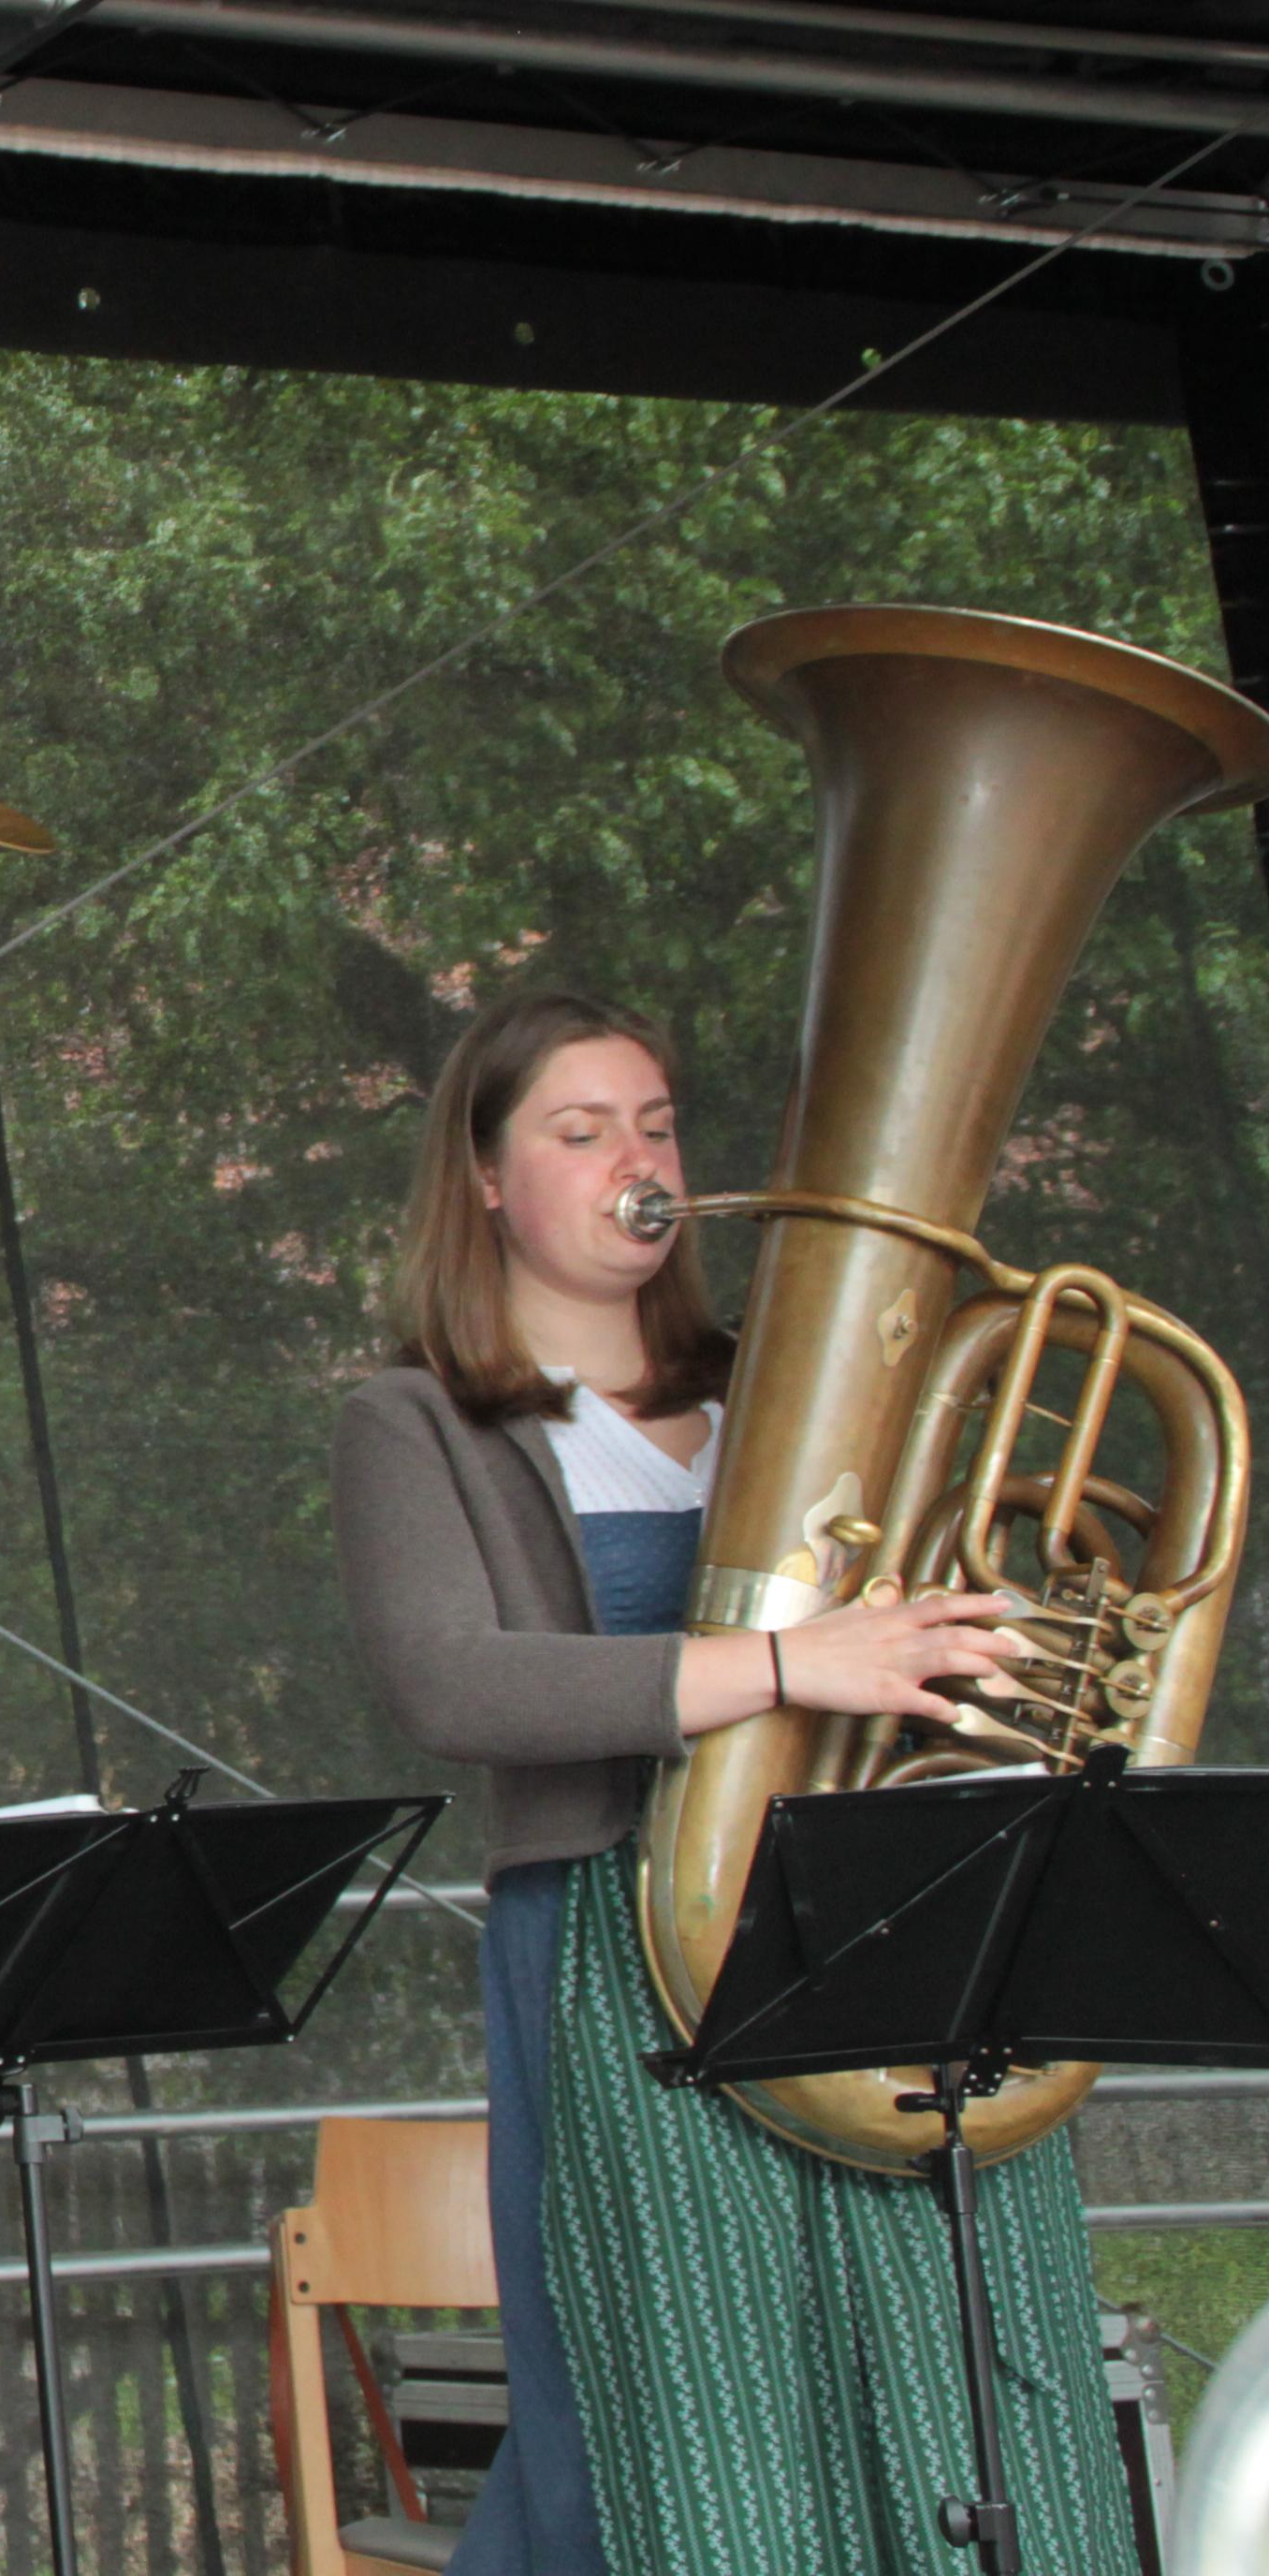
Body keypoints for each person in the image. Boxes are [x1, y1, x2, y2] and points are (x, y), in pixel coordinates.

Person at [330, 986, 1125, 2573]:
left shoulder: (792, 1381)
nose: (637, 1158)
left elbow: (918, 1651)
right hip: (624, 1951)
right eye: (580, 1130)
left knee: (960, 2399)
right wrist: (791, 1664)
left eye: (658, 1125)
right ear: (486, 1179)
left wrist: (992, 1646)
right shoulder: (413, 1415)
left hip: (881, 1938)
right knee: (694, 2426)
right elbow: (453, 1682)